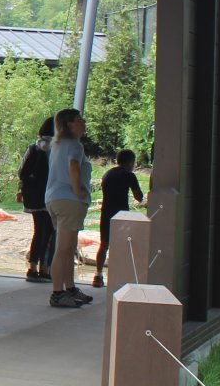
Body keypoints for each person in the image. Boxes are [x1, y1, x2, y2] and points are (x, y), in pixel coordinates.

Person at [44, 108, 94, 309]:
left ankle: (70, 289)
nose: (83, 122)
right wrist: (78, 189)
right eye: (79, 119)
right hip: (69, 200)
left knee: (68, 247)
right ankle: (57, 293)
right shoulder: (75, 145)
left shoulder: (57, 145)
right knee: (64, 249)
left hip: (54, 199)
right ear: (70, 124)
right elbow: (74, 166)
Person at [92, 149, 145, 288]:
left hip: (106, 212)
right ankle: (117, 277)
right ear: (130, 162)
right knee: (121, 246)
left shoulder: (107, 174)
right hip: (121, 215)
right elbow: (138, 197)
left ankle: (98, 275)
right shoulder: (129, 175)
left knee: (103, 245)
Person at [16, 117, 55, 283]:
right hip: (50, 194)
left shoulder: (34, 146)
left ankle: (32, 267)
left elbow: (22, 171)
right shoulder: (57, 148)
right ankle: (45, 269)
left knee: (38, 231)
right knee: (49, 233)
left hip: (33, 196)